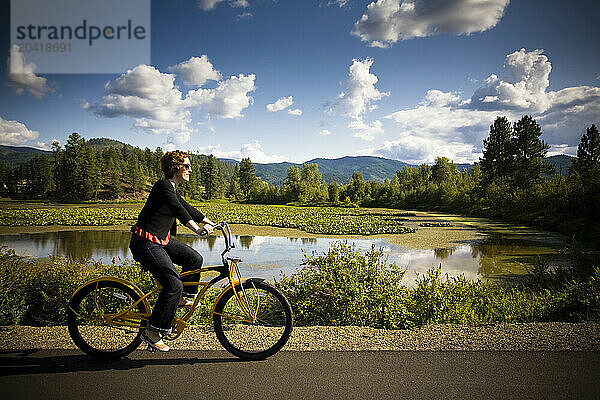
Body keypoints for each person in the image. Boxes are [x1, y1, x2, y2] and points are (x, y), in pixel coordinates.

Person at [129, 150, 216, 352]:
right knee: (173, 282)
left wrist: (211, 222)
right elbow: (178, 211)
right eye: (187, 166)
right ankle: (152, 332)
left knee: (194, 259)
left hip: (162, 240)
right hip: (145, 243)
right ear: (175, 167)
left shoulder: (173, 189)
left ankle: (180, 298)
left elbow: (187, 208)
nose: (190, 170)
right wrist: (197, 229)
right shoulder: (162, 186)